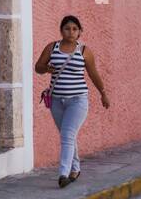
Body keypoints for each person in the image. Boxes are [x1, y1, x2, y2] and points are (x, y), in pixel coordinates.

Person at [34, 15, 110, 188]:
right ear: (61, 31)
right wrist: (46, 69)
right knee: (67, 135)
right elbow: (38, 67)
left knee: (67, 135)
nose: (71, 32)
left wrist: (103, 93)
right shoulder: (52, 47)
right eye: (67, 28)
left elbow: (93, 74)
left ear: (80, 32)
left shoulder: (84, 51)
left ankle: (63, 173)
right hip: (56, 100)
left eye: (75, 29)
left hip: (78, 100)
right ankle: (75, 168)